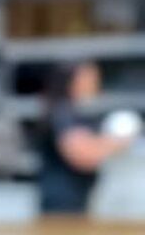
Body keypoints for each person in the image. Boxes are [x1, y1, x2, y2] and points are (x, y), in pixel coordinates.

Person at [39, 61, 133, 214]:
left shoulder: (82, 113)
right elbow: (82, 156)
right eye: (87, 79)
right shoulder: (63, 112)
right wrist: (117, 142)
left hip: (80, 198)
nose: (93, 84)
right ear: (72, 81)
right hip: (61, 204)